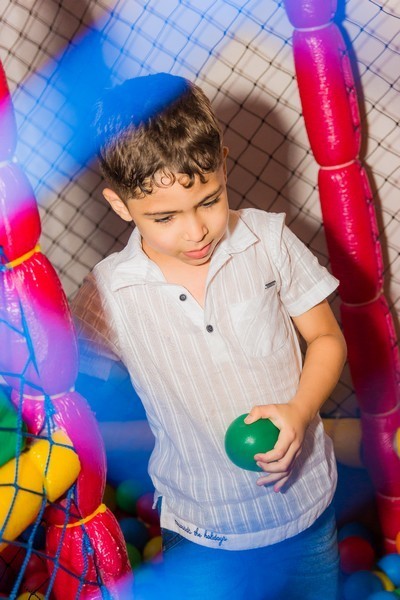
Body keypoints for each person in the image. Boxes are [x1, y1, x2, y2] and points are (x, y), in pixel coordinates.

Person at [71, 73, 347, 599]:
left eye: (209, 200)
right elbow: (71, 390)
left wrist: (299, 410)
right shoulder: (109, 291)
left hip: (306, 512)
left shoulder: (267, 241)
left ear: (223, 163)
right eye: (165, 217)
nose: (195, 230)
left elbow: (327, 339)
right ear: (120, 205)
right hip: (202, 529)